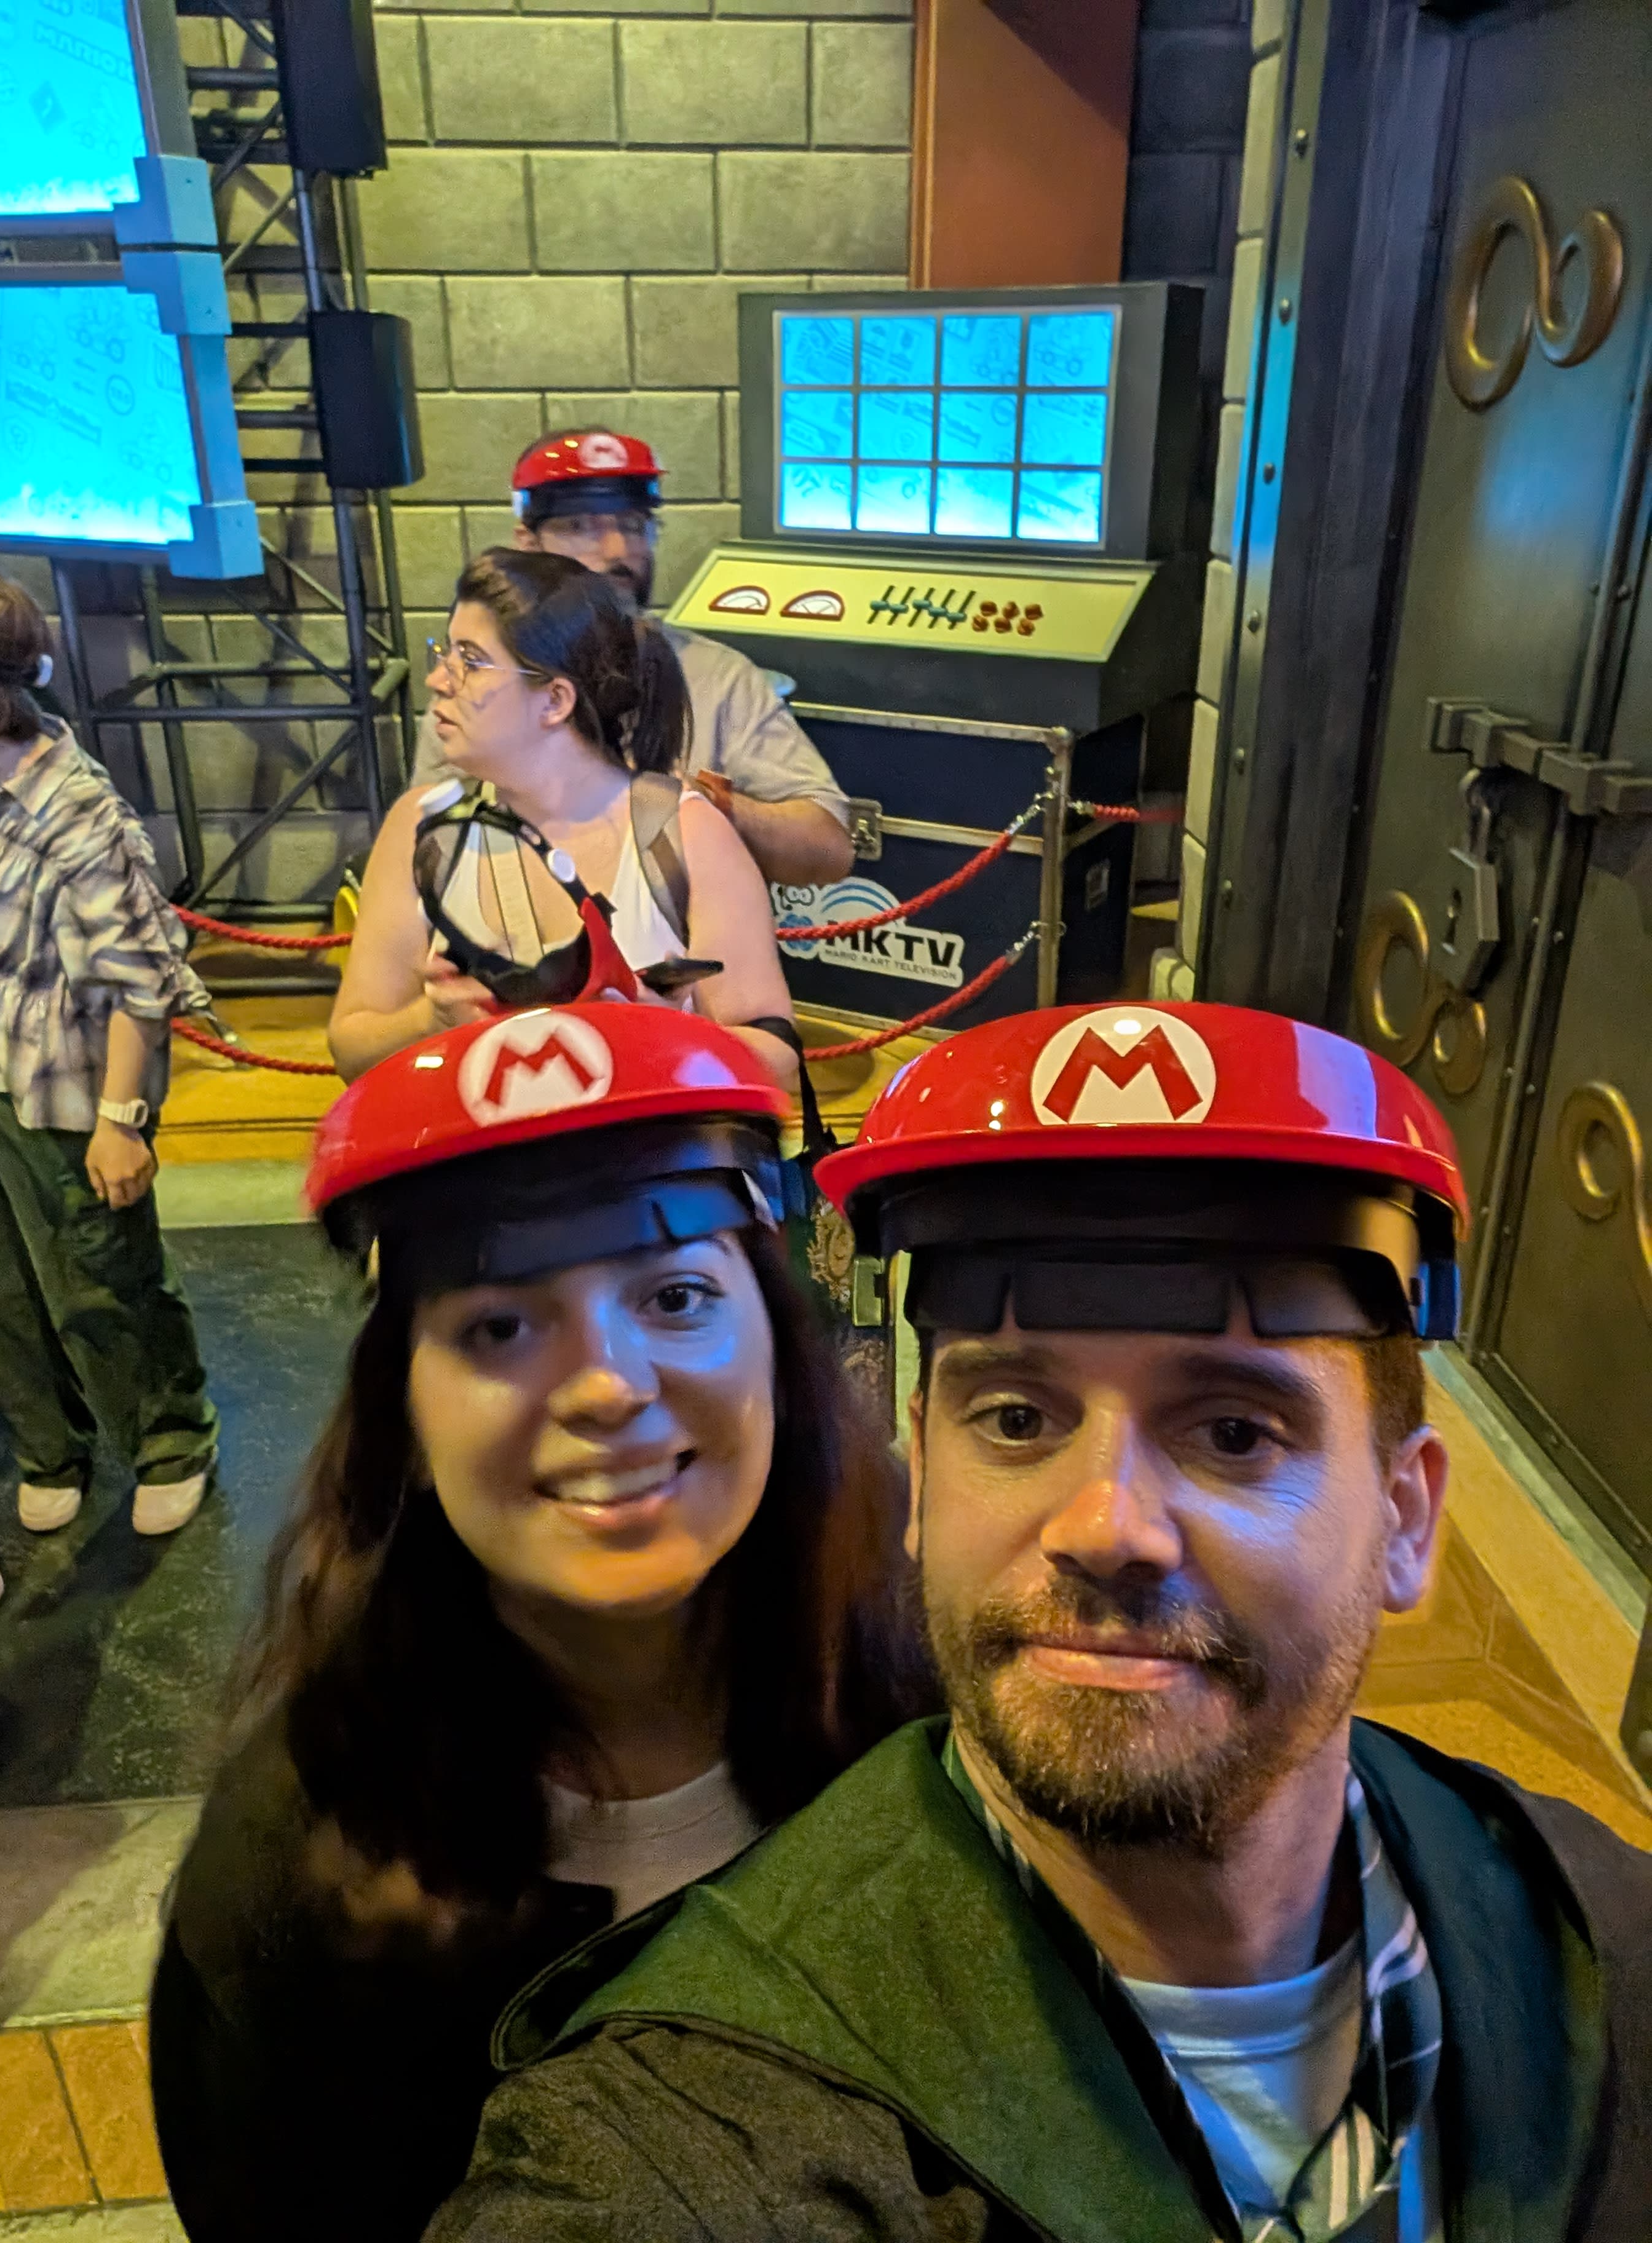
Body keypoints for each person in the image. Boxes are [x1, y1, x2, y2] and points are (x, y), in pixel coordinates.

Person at [430, 1002, 1652, 2242]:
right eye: (1016, 1419)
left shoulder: (1605, 1937)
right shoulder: (684, 2141)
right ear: (921, 1473)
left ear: (1404, 1517)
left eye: (1235, 1432)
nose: (1106, 1524)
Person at [148, 1001, 925, 2243]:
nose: (608, 1385)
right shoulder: (303, 1871)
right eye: (500, 1325)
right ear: (406, 1413)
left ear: (779, 1348)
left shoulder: (936, 1706)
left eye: (675, 1294)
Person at [0, 566, 218, 1610]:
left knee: (99, 1280)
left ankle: (169, 1440)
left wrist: (124, 1121)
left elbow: (136, 986)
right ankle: (50, 1447)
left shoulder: (72, 807)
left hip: (59, 1087)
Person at [331, 550, 802, 1094]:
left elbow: (778, 1057)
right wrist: (427, 1022)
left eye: (471, 661)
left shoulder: (680, 831)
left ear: (555, 700)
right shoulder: (421, 825)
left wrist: (664, 1033)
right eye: (445, 652)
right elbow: (351, 1048)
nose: (438, 679)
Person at [408, 428, 853, 889]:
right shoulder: (479, 680)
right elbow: (421, 844)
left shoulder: (720, 679)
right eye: (581, 527)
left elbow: (828, 849)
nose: (618, 552)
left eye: (633, 525)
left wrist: (707, 807)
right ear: (529, 545)